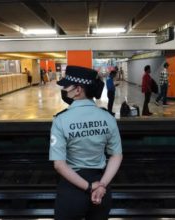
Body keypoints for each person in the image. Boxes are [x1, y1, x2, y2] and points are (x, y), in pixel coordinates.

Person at [50, 65, 123, 220]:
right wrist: (101, 185)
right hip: (101, 189)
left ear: (78, 90)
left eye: (67, 85)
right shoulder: (108, 117)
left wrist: (89, 187)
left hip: (72, 189)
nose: (64, 89)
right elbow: (116, 156)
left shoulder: (61, 120)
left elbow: (59, 165)